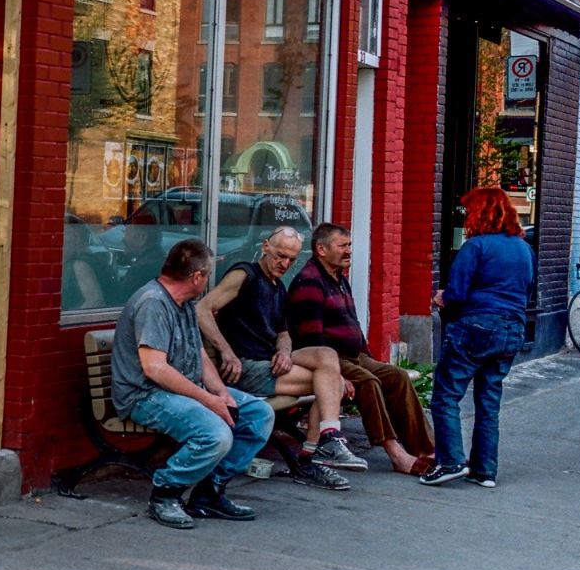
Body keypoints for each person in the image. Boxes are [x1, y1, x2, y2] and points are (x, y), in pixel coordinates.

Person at [112, 239, 274, 529]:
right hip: (146, 396)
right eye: (208, 275)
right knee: (215, 434)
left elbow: (198, 355)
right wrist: (207, 399)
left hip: (179, 390)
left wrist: (222, 393)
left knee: (259, 414)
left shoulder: (184, 304)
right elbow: (155, 369)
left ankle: (209, 492)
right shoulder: (153, 303)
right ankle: (165, 494)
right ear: (197, 276)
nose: (208, 281)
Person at [194, 227, 363, 490]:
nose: (284, 264)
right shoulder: (245, 274)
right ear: (265, 247)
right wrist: (226, 351)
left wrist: (284, 351)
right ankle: (313, 456)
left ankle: (327, 439)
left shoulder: (278, 288)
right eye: (280, 255)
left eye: (292, 259)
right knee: (332, 384)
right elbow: (202, 309)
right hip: (246, 367)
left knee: (328, 358)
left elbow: (283, 333)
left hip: (269, 362)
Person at [289, 222, 437, 475]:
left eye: (349, 245)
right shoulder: (310, 282)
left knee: (398, 376)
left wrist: (367, 355)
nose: (348, 251)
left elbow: (353, 323)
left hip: (355, 355)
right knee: (368, 383)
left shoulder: (338, 278)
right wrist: (337, 375)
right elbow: (310, 341)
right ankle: (396, 454)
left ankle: (427, 450)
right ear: (321, 249)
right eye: (342, 246)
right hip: (330, 358)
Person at [422, 188, 534, 488]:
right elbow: (527, 292)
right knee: (488, 400)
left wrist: (441, 297)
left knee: (446, 396)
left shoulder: (475, 246)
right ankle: (484, 470)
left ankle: (450, 462)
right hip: (512, 328)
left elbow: (457, 294)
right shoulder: (524, 249)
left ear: (479, 213)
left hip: (475, 325)